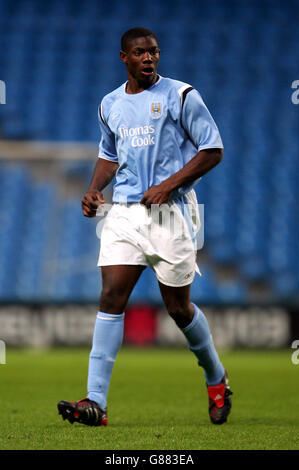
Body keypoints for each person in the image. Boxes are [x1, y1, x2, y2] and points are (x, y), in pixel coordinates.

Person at [57, 27, 232, 427]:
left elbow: (213, 149)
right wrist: (93, 189)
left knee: (178, 309)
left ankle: (216, 378)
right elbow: (108, 155)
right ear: (124, 58)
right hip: (125, 214)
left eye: (153, 52)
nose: (149, 58)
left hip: (171, 214)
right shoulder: (110, 104)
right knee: (111, 296)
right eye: (140, 53)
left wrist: (168, 185)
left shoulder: (182, 96)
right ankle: (95, 402)